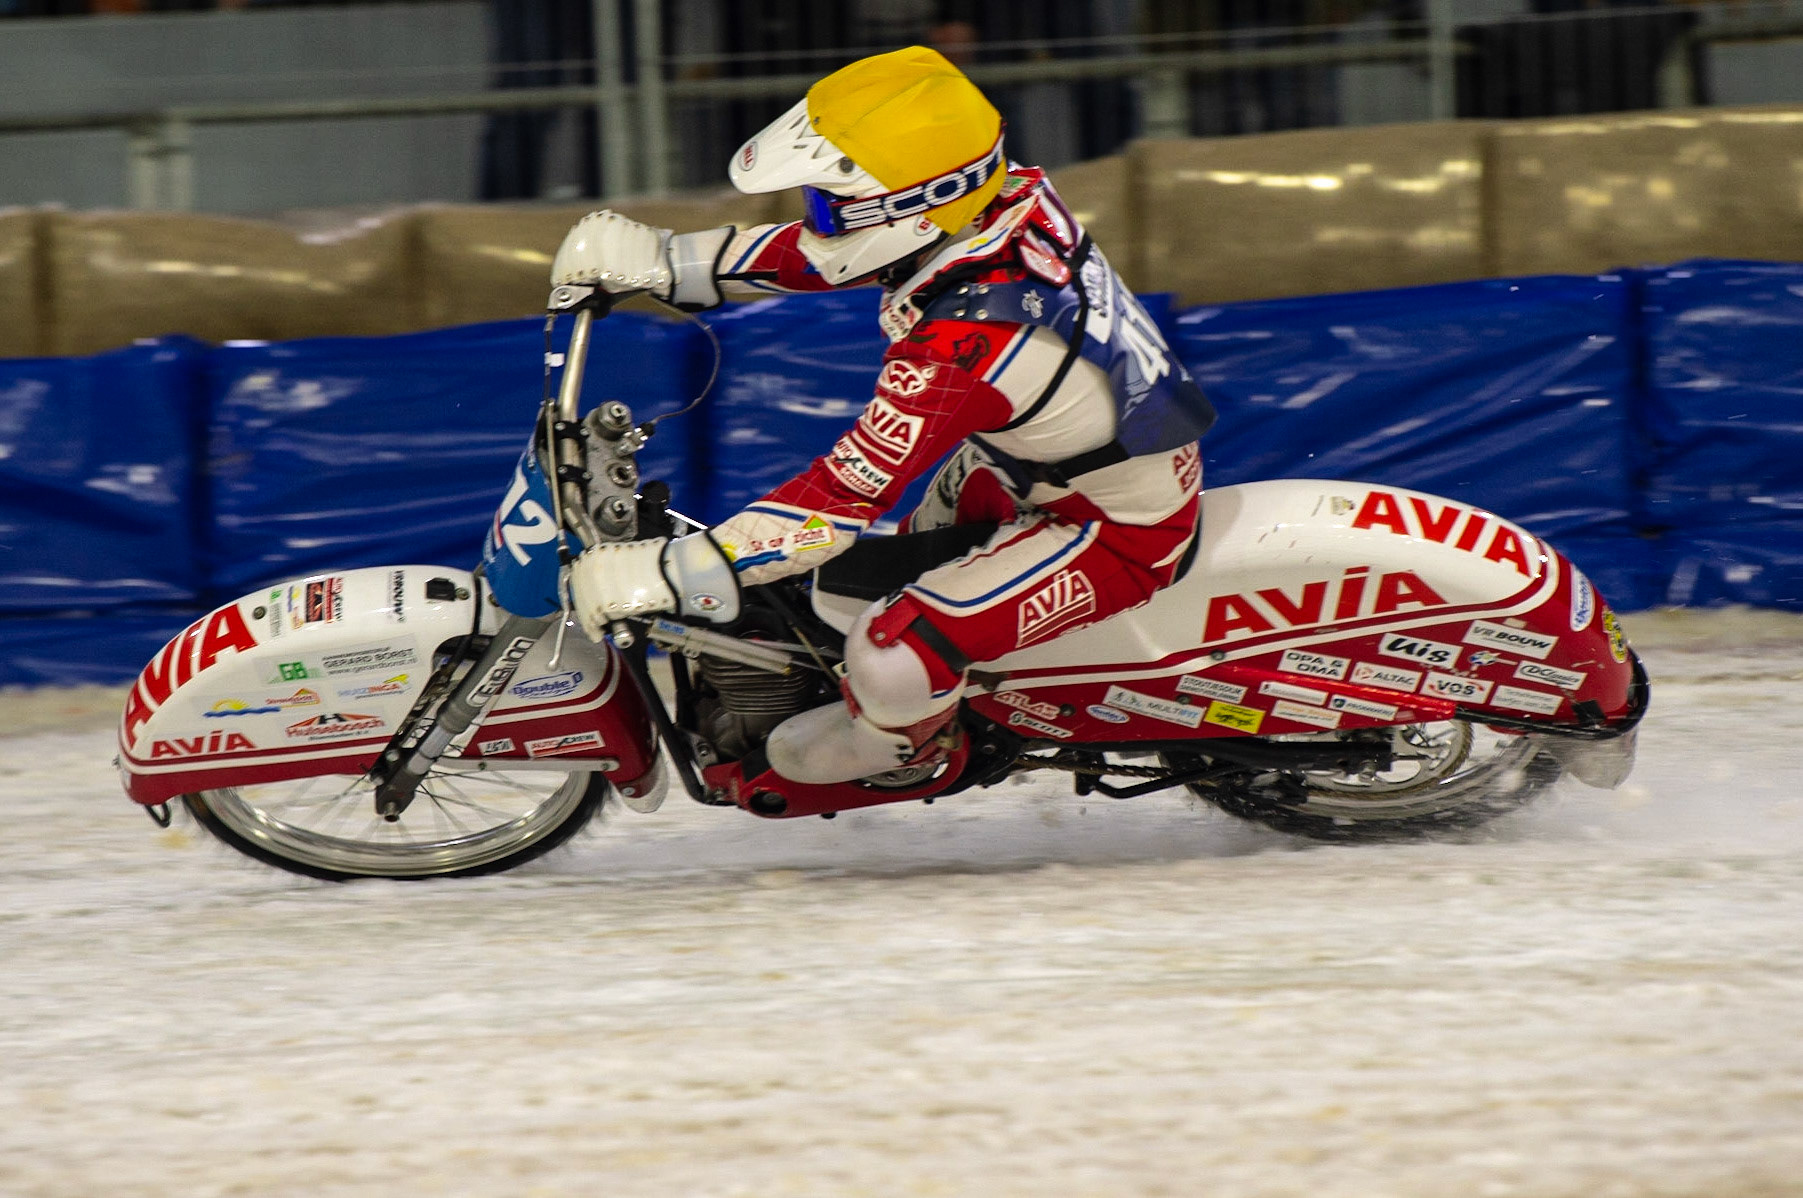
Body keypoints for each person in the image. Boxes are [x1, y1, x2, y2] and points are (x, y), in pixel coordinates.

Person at [551, 45, 1214, 786]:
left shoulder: (966, 346)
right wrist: (669, 260)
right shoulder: (993, 200)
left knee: (891, 649)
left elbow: (837, 501)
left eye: (828, 205)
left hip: (1112, 528)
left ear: (909, 207)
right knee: (844, 590)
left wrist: (675, 571)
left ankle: (914, 752)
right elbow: (841, 250)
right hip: (1036, 467)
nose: (817, 222)